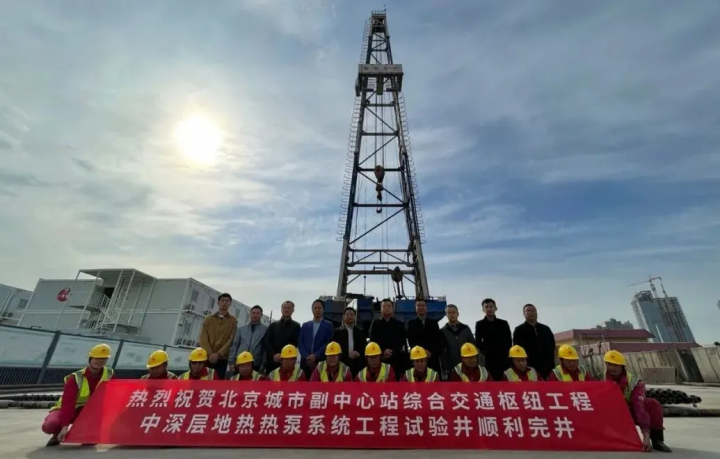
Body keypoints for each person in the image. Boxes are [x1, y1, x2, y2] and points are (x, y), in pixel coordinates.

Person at [42, 343, 115, 447]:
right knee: (50, 424)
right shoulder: (75, 378)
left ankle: (88, 434)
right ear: (90, 358)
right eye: (97, 358)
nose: (100, 361)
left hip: (90, 411)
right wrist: (64, 426)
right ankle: (57, 433)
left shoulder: (109, 374)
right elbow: (68, 404)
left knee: (89, 441)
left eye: (103, 359)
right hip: (67, 409)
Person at [604, 350, 671, 453]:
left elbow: (639, 407)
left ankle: (657, 440)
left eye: (616, 365)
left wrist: (646, 434)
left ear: (622, 367)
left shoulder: (634, 382)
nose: (612, 368)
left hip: (629, 411)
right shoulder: (600, 378)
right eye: (609, 364)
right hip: (610, 413)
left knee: (652, 404)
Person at [199, 292, 238, 379]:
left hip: (222, 358)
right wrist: (210, 353)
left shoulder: (233, 321)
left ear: (230, 303)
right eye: (222, 300)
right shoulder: (208, 319)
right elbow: (203, 338)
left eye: (227, 301)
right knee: (204, 379)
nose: (224, 303)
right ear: (218, 302)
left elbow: (231, 339)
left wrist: (218, 354)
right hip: (206, 357)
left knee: (218, 380)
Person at [512, 303, 556, 379]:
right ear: (524, 314)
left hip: (548, 367)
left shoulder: (545, 329)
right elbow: (517, 349)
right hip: (530, 368)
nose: (531, 313)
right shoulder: (519, 330)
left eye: (533, 310)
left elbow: (552, 346)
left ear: (536, 313)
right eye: (528, 311)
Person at [368, 298, 408, 380]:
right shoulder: (375, 323)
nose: (386, 308)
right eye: (384, 306)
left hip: (396, 359)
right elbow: (372, 340)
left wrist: (392, 352)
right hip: (380, 359)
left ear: (393, 308)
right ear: (381, 309)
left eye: (389, 306)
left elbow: (402, 341)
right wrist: (383, 351)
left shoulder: (399, 324)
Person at [474, 298, 512, 381]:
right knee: (491, 380)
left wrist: (506, 352)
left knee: (505, 379)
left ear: (495, 308)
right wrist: (485, 350)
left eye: (491, 306)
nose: (489, 309)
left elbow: (509, 340)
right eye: (486, 307)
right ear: (483, 309)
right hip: (488, 357)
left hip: (503, 357)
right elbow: (478, 341)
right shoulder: (480, 324)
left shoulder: (503, 323)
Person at [262, 300, 301, 373]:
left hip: (287, 361)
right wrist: (273, 354)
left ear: (293, 310)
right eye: (285, 308)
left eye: (289, 308)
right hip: (272, 361)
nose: (287, 310)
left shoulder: (296, 326)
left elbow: (295, 343)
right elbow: (266, 341)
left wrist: (284, 356)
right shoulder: (273, 325)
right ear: (281, 309)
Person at [228, 305, 267, 376]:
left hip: (255, 363)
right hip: (239, 362)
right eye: (253, 313)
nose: (255, 315)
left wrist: (263, 363)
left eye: (258, 313)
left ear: (261, 315)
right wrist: (231, 362)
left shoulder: (265, 330)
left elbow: (265, 349)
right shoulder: (241, 329)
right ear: (250, 314)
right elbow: (235, 345)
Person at [440, 304, 477, 380]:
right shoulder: (442, 331)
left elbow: (473, 345)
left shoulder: (465, 329)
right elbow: (442, 352)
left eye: (453, 312)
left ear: (458, 314)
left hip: (468, 365)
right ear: (446, 315)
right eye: (449, 313)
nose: (451, 314)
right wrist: (445, 368)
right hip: (452, 367)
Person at [406, 298, 443, 373]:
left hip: (432, 357)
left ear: (426, 307)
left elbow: (438, 340)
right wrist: (422, 351)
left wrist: (431, 352)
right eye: (419, 306)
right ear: (415, 308)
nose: (421, 307)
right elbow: (411, 341)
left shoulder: (434, 323)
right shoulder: (411, 323)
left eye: (423, 305)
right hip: (418, 358)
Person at [298, 299, 334, 376]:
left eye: (319, 308)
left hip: (320, 361)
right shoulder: (305, 325)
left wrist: (316, 355)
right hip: (305, 361)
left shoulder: (328, 325)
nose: (317, 310)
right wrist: (307, 356)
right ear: (312, 310)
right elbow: (300, 342)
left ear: (323, 310)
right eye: (315, 308)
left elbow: (328, 343)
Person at [332, 307, 367, 377]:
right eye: (347, 314)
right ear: (343, 317)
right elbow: (334, 349)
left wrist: (358, 353)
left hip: (358, 365)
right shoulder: (337, 332)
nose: (349, 316)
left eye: (352, 314)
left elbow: (365, 347)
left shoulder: (360, 331)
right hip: (342, 365)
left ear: (355, 316)